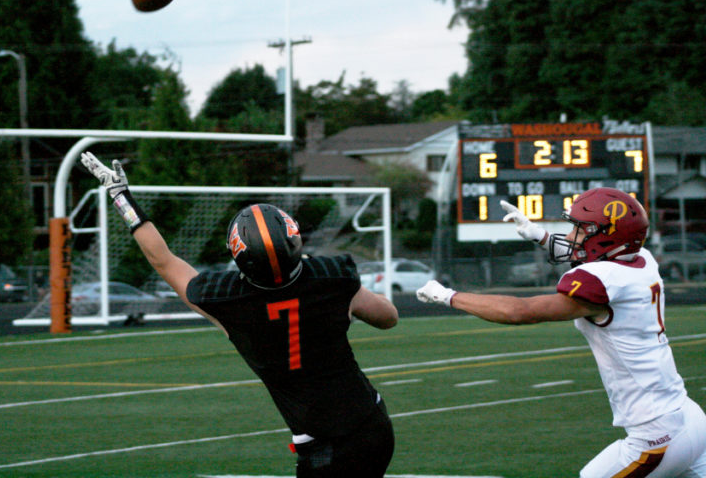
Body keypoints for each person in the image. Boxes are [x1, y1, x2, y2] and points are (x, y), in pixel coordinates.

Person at [80, 152, 399, 478]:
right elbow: (388, 317)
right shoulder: (332, 277)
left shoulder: (229, 300)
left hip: (324, 448)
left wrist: (121, 197)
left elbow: (163, 260)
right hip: (373, 426)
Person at [417, 187, 706, 478]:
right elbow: (595, 255)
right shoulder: (642, 259)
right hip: (688, 417)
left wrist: (448, 296)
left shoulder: (604, 280)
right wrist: (539, 236)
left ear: (607, 235)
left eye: (581, 229)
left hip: (656, 435)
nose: (570, 236)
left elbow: (521, 312)